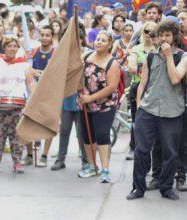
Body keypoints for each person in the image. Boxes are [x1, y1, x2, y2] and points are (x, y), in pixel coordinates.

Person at [128, 21, 187, 200]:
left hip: (172, 112)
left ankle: (166, 187)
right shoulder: (150, 57)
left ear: (174, 37)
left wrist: (169, 56)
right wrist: (139, 106)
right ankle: (138, 188)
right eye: (160, 35)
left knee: (170, 153)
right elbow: (143, 83)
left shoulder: (183, 57)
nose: (163, 39)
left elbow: (176, 78)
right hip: (148, 109)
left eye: (167, 35)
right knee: (141, 151)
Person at [0, 36, 35, 174]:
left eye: (14, 46)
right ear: (4, 47)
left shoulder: (24, 64)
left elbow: (30, 83)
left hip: (18, 106)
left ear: (18, 48)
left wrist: (34, 97)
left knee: (17, 136)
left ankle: (17, 163)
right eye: (9, 46)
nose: (12, 48)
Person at [77, 31, 121, 183]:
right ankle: (91, 166)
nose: (99, 42)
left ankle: (105, 169)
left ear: (110, 44)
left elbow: (112, 87)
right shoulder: (87, 56)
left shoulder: (112, 63)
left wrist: (90, 98)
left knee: (102, 134)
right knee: (87, 136)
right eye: (97, 39)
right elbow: (75, 71)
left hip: (105, 106)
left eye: (103, 40)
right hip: (85, 104)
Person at [127, 21, 158, 161]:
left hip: (154, 89)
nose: (149, 35)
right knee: (137, 120)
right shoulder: (136, 49)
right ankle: (134, 147)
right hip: (137, 88)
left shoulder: (158, 49)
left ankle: (152, 150)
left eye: (152, 32)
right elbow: (131, 68)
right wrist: (146, 68)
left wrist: (141, 67)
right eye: (146, 31)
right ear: (142, 32)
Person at [27, 26, 56, 168]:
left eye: (47, 35)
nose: (44, 37)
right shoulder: (33, 51)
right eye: (42, 35)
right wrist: (34, 73)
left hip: (50, 92)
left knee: (48, 123)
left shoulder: (56, 53)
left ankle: (44, 154)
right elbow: (27, 69)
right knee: (29, 121)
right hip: (33, 90)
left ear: (52, 37)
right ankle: (29, 154)